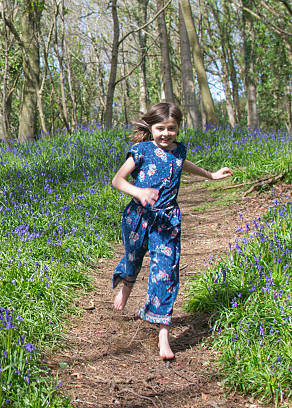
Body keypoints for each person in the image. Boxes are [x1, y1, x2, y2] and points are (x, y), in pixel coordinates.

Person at [110, 102, 233, 360]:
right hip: (138, 218)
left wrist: (210, 175)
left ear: (178, 129)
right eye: (160, 128)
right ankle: (127, 283)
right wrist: (139, 191)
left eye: (171, 128)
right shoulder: (141, 150)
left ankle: (163, 333)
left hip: (167, 221)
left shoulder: (179, 151)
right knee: (133, 259)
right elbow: (118, 180)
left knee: (166, 272)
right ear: (151, 128)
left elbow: (182, 164)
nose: (166, 133)